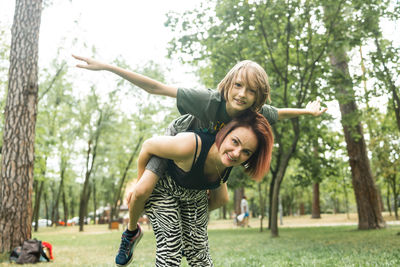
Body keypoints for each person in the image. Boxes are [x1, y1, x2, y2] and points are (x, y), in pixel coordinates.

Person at [73, 55, 327, 266]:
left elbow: (280, 113)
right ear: (228, 84)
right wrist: (107, 67)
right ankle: (131, 232)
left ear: (258, 97)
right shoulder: (209, 101)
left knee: (221, 200)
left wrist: (308, 111)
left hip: (208, 160)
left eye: (251, 91)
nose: (242, 94)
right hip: (177, 148)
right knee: (142, 191)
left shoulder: (253, 115)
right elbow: (156, 88)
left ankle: (186, 233)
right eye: (238, 85)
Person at [136, 111, 273, 266]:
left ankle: (187, 241)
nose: (236, 153)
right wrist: (140, 183)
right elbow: (148, 145)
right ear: (224, 133)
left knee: (199, 252)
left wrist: (189, 227)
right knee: (170, 248)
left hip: (192, 194)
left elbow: (221, 199)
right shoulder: (190, 144)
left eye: (246, 152)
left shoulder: (227, 160)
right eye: (235, 142)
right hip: (163, 188)